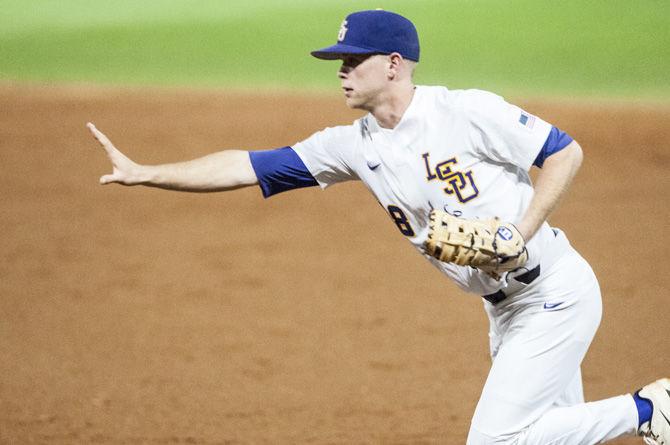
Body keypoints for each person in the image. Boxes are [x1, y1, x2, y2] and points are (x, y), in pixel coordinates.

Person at [88, 9, 669, 445]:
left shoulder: (464, 112)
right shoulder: (350, 146)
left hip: (553, 294)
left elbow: (564, 153)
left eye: (351, 61)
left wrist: (520, 229)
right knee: (545, 433)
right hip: (505, 310)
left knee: (498, 441)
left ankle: (651, 410)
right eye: (339, 62)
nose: (340, 72)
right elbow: (247, 165)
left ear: (393, 65)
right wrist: (145, 173)